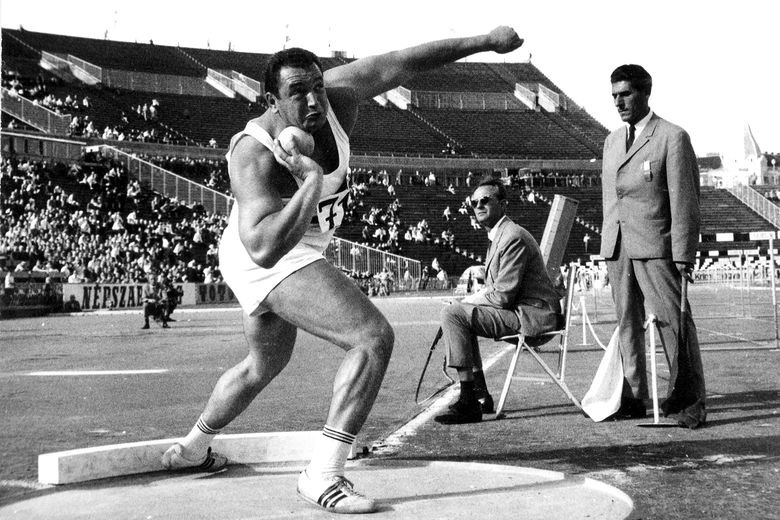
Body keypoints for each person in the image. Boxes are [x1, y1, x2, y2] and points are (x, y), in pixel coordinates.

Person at [161, 27, 524, 514]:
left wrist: (485, 41)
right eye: (297, 92)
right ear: (271, 101)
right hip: (262, 251)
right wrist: (311, 179)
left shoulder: (338, 97)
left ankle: (191, 448)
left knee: (262, 364)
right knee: (371, 337)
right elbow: (264, 249)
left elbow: (403, 59)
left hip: (299, 244)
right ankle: (322, 474)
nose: (314, 100)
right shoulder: (253, 151)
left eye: (318, 86)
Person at [600, 64, 705, 429]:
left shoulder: (672, 137)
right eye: (614, 96)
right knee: (627, 323)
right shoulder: (612, 141)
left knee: (674, 324)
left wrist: (683, 253)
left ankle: (689, 401)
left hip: (656, 246)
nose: (618, 102)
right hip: (618, 247)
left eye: (625, 94)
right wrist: (607, 245)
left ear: (645, 93)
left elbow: (685, 199)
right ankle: (633, 396)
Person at [434, 176, 562, 424]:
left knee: (454, 314)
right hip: (523, 311)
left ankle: (469, 401)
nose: (478, 206)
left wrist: (463, 304)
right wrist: (465, 304)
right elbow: (496, 291)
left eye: (485, 200)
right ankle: (480, 396)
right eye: (473, 203)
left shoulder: (512, 236)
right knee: (460, 314)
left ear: (503, 204)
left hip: (534, 317)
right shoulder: (500, 235)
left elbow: (502, 295)